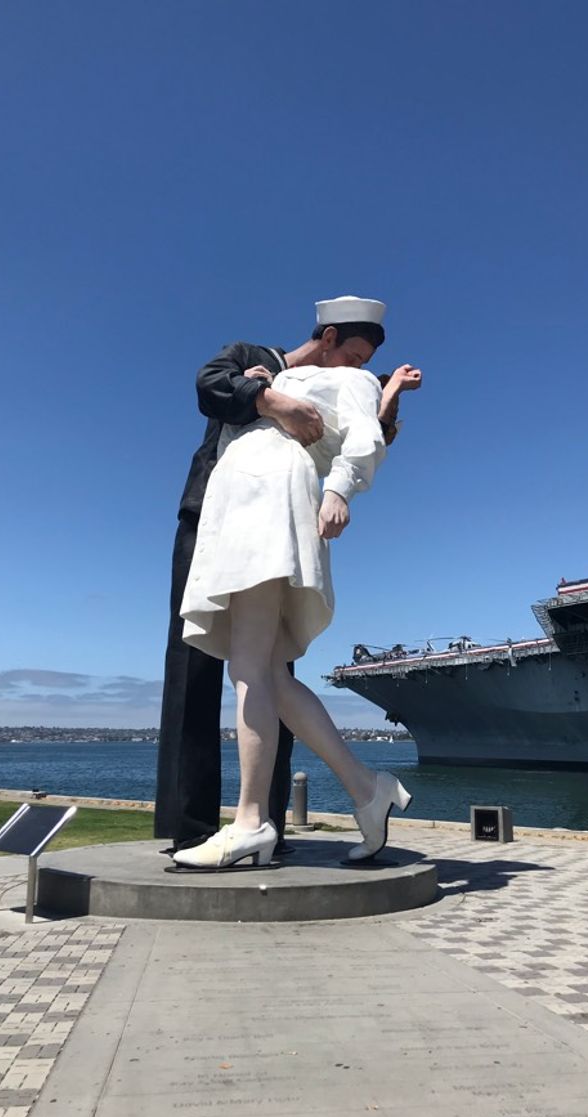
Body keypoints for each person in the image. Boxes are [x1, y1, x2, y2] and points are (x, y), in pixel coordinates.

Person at [154, 295, 420, 853]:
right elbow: (211, 385)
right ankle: (366, 788)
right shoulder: (263, 363)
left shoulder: (351, 381)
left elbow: (366, 436)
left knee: (251, 666)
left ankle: (253, 823)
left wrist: (339, 489)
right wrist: (267, 389)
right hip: (224, 509)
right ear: (326, 338)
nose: (357, 365)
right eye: (351, 352)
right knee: (268, 674)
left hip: (266, 502)